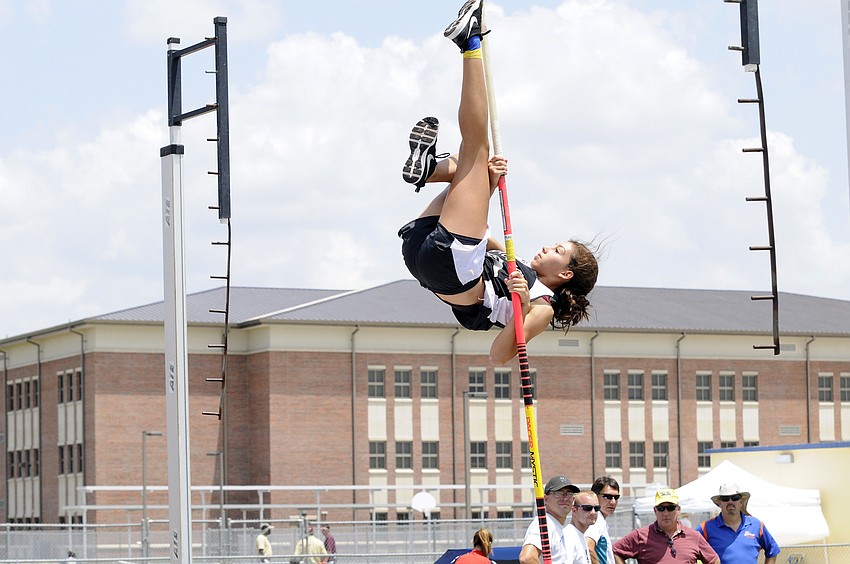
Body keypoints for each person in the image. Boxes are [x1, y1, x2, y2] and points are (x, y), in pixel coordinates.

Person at [398, 0, 599, 365]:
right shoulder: (519, 266)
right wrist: (488, 185)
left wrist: (522, 303)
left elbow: (498, 356)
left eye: (556, 251)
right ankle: (432, 169)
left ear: (565, 274)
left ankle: (469, 43)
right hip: (427, 254)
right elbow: (488, 239)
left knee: (477, 148)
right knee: (485, 168)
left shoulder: (543, 307)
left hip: (453, 268)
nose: (546, 249)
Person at [612, 488, 719, 564]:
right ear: (655, 510)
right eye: (661, 508)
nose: (666, 513)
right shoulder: (640, 536)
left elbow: (714, 560)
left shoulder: (694, 536)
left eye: (671, 508)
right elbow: (614, 551)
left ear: (678, 510)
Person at [696, 482, 781, 564]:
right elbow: (688, 549)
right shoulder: (705, 528)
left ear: (741, 502)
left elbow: (772, 550)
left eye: (735, 498)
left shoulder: (757, 525)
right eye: (725, 498)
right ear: (719, 503)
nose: (730, 502)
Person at [519, 475, 581, 564]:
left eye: (569, 494)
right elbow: (527, 558)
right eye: (558, 493)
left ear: (573, 500)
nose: (565, 498)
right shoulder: (545, 524)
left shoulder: (559, 527)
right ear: (546, 499)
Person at [584, 476, 620, 564]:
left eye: (616, 497)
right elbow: (588, 547)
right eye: (607, 496)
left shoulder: (599, 519)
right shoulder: (597, 520)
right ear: (595, 496)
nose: (613, 502)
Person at [567, 490, 600, 564]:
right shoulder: (569, 537)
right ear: (574, 510)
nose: (593, 512)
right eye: (587, 508)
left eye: (597, 508)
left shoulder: (580, 535)